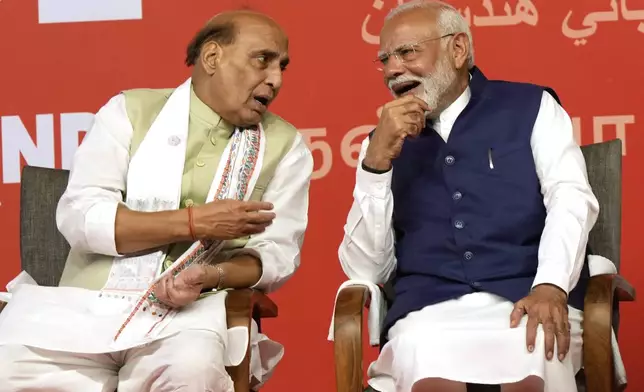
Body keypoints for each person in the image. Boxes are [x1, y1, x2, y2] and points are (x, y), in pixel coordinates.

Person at [0, 9, 312, 392]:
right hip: (83, 309)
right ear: (212, 58)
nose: (276, 79)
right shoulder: (129, 112)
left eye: (282, 66)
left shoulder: (286, 146)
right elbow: (81, 218)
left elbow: (276, 255)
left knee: (192, 370)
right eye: (262, 60)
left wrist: (211, 275)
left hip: (190, 318)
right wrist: (195, 223)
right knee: (7, 363)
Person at [338, 1, 599, 391]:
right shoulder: (380, 144)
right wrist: (375, 166)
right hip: (430, 309)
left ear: (457, 49)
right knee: (424, 354)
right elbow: (367, 272)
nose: (393, 69)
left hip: (528, 296)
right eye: (385, 59)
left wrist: (551, 285)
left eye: (407, 52)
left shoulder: (531, 107)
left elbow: (570, 198)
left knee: (536, 351)